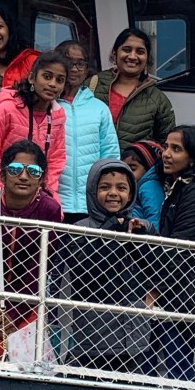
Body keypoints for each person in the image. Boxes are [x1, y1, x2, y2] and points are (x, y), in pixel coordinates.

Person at [0, 140, 62, 360]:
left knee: (25, 370)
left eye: (33, 171)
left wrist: (13, 314)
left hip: (26, 306)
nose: (24, 177)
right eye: (15, 169)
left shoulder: (49, 209)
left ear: (42, 178)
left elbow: (38, 268)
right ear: (2, 175)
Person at [62, 159, 154, 373]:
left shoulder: (142, 228)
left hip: (134, 339)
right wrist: (113, 231)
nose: (113, 193)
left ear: (131, 194)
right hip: (91, 340)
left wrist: (138, 242)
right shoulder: (79, 229)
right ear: (93, 192)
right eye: (105, 187)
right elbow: (88, 270)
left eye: (121, 188)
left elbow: (157, 268)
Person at [144, 125, 195, 381]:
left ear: (193, 156)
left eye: (176, 149)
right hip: (177, 292)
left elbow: (179, 247)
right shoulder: (180, 187)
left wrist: (156, 288)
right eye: (166, 146)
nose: (166, 153)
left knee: (181, 367)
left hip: (185, 295)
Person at [0, 51, 68, 201]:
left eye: (60, 80)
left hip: (35, 199)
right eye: (47, 76)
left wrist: (45, 195)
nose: (53, 84)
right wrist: (3, 193)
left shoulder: (57, 117)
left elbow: (56, 161)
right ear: (32, 77)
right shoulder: (8, 108)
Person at [55, 40, 119, 224]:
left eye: (80, 63)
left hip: (90, 206)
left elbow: (110, 156)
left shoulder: (99, 108)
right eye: (68, 62)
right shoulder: (45, 104)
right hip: (53, 202)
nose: (74, 69)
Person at [90, 28, 175, 152]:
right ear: (115, 54)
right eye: (127, 50)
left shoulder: (158, 100)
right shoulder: (93, 84)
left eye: (140, 52)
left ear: (147, 58)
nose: (132, 56)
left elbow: (166, 145)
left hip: (135, 170)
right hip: (92, 168)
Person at [122, 139, 165, 230]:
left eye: (132, 169)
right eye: (124, 169)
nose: (127, 173)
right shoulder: (136, 187)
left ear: (147, 167)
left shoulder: (149, 186)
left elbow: (155, 218)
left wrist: (153, 241)